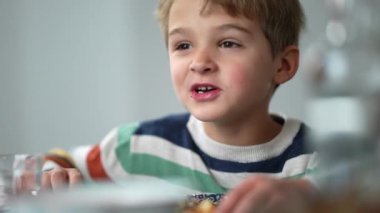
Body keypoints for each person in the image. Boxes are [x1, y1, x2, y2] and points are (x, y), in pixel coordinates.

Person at [40, 0, 319, 212]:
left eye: (227, 43)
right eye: (183, 45)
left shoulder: (318, 158)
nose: (199, 62)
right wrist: (52, 173)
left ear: (282, 65)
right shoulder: (138, 147)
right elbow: (61, 160)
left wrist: (306, 198)